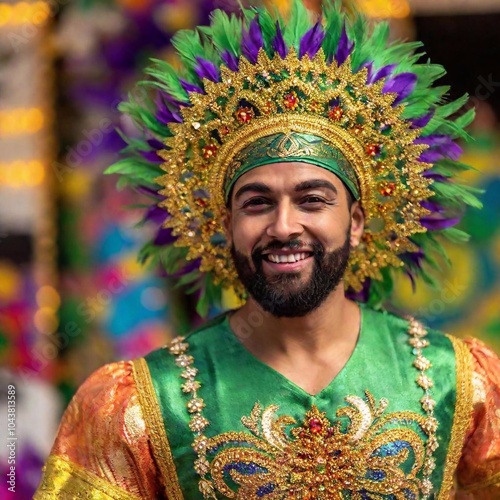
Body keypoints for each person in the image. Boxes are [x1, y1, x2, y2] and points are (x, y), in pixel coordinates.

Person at [35, 1, 499, 498]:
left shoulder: (462, 384)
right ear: (226, 225)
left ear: (357, 221)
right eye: (257, 203)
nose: (284, 226)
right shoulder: (140, 406)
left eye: (312, 200)